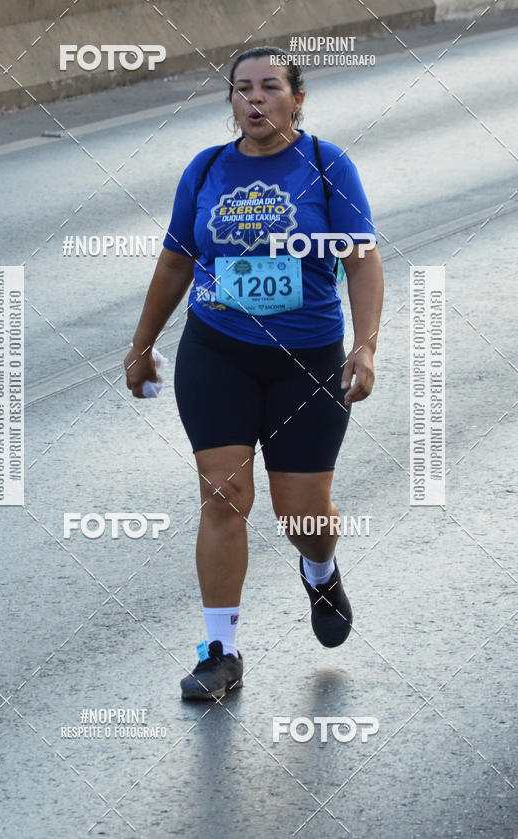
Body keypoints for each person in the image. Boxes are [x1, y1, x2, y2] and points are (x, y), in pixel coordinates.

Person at [123, 45, 384, 701]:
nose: (255, 99)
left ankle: (319, 570)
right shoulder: (207, 168)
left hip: (307, 361)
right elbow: (176, 262)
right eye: (243, 88)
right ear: (232, 101)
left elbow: (361, 260)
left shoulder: (327, 166)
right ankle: (220, 651)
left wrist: (365, 347)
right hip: (219, 351)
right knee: (222, 495)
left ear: (298, 98)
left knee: (302, 516)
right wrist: (141, 345)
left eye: (270, 87)